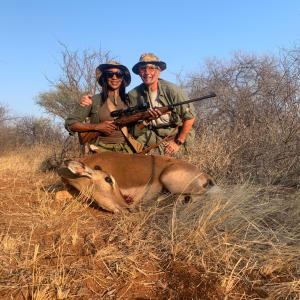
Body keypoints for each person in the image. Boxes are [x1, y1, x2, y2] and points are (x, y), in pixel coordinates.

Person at [81, 54, 196, 156]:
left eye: (151, 68)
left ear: (159, 71)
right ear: (139, 73)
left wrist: (178, 142)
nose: (147, 73)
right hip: (154, 137)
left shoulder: (173, 91)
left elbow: (190, 117)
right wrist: (89, 101)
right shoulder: (134, 94)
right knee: (136, 144)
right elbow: (120, 102)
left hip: (176, 138)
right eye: (142, 69)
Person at [65, 61, 140, 154]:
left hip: (127, 150)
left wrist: (147, 119)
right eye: (110, 74)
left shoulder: (131, 100)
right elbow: (70, 123)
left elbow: (136, 130)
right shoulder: (94, 100)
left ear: (123, 78)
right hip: (101, 149)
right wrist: (96, 127)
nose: (114, 77)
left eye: (119, 74)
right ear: (105, 77)